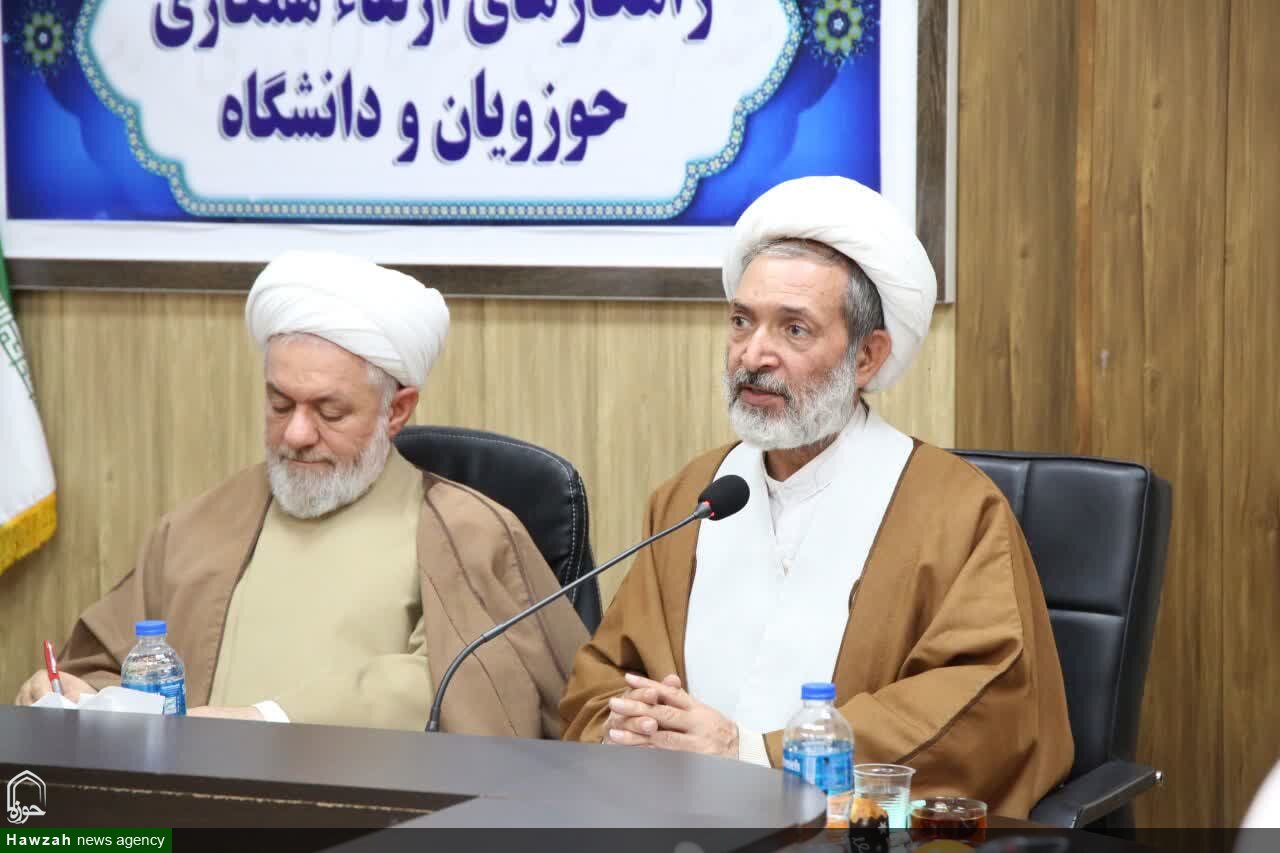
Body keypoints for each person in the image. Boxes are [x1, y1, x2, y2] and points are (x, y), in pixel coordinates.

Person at [560, 177, 1073, 817]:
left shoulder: (958, 512)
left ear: (867, 357)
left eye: (795, 329)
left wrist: (755, 755)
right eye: (741, 321)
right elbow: (605, 677)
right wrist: (631, 727)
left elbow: (985, 713)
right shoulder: (694, 497)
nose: (754, 354)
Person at [15, 251, 586, 735]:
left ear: (398, 410)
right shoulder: (199, 525)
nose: (295, 434)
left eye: (329, 411)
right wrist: (74, 692)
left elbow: (466, 690)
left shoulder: (467, 532)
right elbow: (110, 663)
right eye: (280, 404)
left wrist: (267, 721)